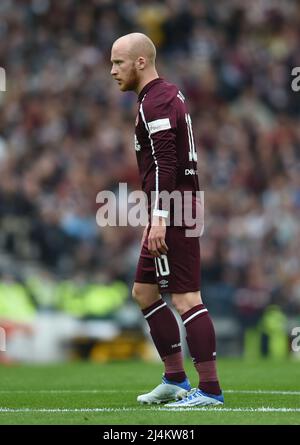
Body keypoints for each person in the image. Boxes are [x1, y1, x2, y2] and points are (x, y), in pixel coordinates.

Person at [110, 33, 224, 407]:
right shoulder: (166, 94)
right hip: (171, 206)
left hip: (174, 207)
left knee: (188, 297)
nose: (112, 71)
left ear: (140, 62)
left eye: (118, 62)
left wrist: (159, 215)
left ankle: (208, 390)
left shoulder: (155, 102)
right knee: (144, 292)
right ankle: (175, 379)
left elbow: (165, 162)